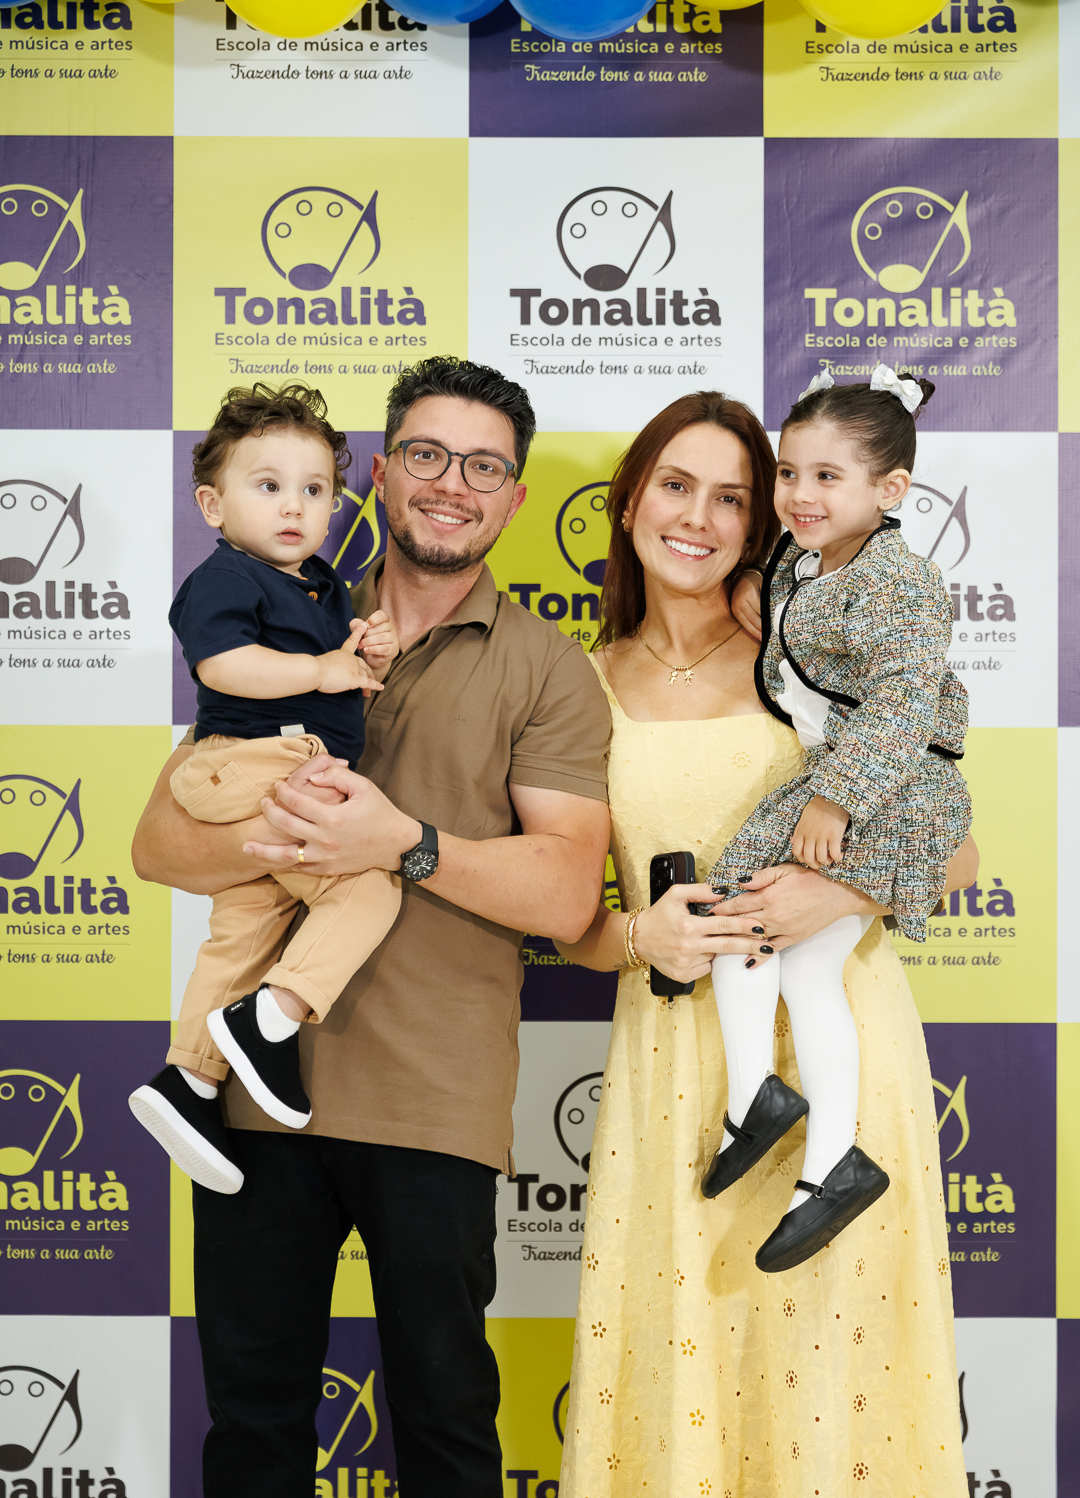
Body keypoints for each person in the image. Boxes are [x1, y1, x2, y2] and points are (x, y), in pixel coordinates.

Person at [131, 356, 612, 1498]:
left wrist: (401, 841)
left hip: (433, 1100)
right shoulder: (282, 601)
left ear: (515, 498)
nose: (453, 484)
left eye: (484, 467)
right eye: (429, 455)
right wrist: (302, 837)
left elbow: (565, 897)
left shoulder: (549, 668)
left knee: (448, 1434)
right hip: (251, 1104)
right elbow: (160, 848)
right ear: (384, 473)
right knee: (253, 1434)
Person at [556, 390, 974, 1497]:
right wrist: (636, 934)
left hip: (838, 1049)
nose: (699, 518)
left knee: (832, 1384)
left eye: (733, 497)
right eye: (675, 486)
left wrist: (834, 895)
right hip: (674, 1072)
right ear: (630, 501)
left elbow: (958, 853)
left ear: (765, 521)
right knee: (685, 1373)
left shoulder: (805, 660)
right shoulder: (576, 682)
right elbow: (570, 922)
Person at [700, 365, 972, 1273]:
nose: (800, 495)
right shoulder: (803, 557)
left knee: (753, 921)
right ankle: (813, 1151)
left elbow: (902, 705)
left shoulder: (901, 580)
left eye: (828, 476)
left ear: (890, 490)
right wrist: (755, 592)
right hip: (845, 775)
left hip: (892, 787)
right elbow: (786, 604)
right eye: (789, 473)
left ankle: (779, 1122)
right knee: (787, 952)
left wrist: (837, 801)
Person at [130, 385, 403, 1189]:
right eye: (269, 485)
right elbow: (224, 666)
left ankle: (188, 1078)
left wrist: (366, 654)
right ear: (212, 506)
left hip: (277, 759)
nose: (294, 506)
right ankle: (270, 1019)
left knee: (248, 922)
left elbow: (338, 672)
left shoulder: (319, 583)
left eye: (315, 490)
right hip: (252, 758)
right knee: (366, 885)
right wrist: (321, 669)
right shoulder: (225, 577)